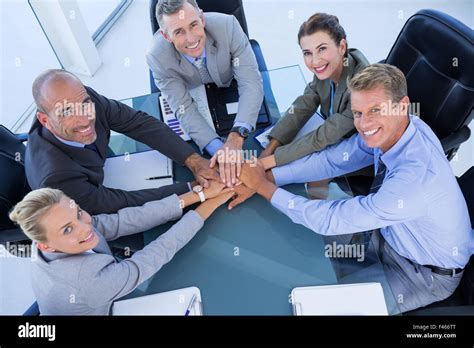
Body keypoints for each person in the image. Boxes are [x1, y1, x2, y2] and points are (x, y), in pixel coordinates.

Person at [238, 64, 473, 312]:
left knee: (322, 306)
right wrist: (271, 177)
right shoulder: (397, 128)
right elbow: (333, 160)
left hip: (421, 274)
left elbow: (332, 219)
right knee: (291, 242)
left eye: (375, 110)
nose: (364, 123)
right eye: (358, 113)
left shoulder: (414, 180)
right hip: (387, 233)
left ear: (402, 105)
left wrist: (262, 187)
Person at [9, 181, 234, 315]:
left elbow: (124, 220)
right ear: (44, 245)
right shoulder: (86, 283)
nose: (85, 225)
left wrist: (199, 195)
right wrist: (210, 204)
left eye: (78, 212)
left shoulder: (57, 234)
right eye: (68, 230)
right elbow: (154, 255)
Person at [26, 69, 219, 215]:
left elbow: (136, 123)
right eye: (67, 112)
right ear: (44, 120)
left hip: (100, 167)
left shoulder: (83, 98)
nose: (85, 119)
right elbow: (116, 203)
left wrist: (193, 160)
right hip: (86, 211)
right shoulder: (56, 178)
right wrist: (192, 189)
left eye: (85, 104)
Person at [230, 13, 370, 207]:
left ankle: (320, 220)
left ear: (342, 47)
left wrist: (266, 163)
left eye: (322, 49)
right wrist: (270, 147)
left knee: (308, 173)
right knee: (282, 164)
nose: (315, 61)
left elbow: (321, 138)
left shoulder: (361, 87)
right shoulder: (329, 68)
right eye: (307, 53)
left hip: (362, 151)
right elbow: (304, 104)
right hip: (333, 134)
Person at [147, 0, 264, 187]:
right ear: (166, 36)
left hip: (230, 79)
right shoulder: (157, 56)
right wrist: (218, 149)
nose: (191, 39)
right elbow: (182, 107)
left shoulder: (228, 26)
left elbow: (250, 84)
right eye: (178, 31)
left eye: (194, 25)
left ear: (202, 18)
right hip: (190, 89)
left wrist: (236, 137)